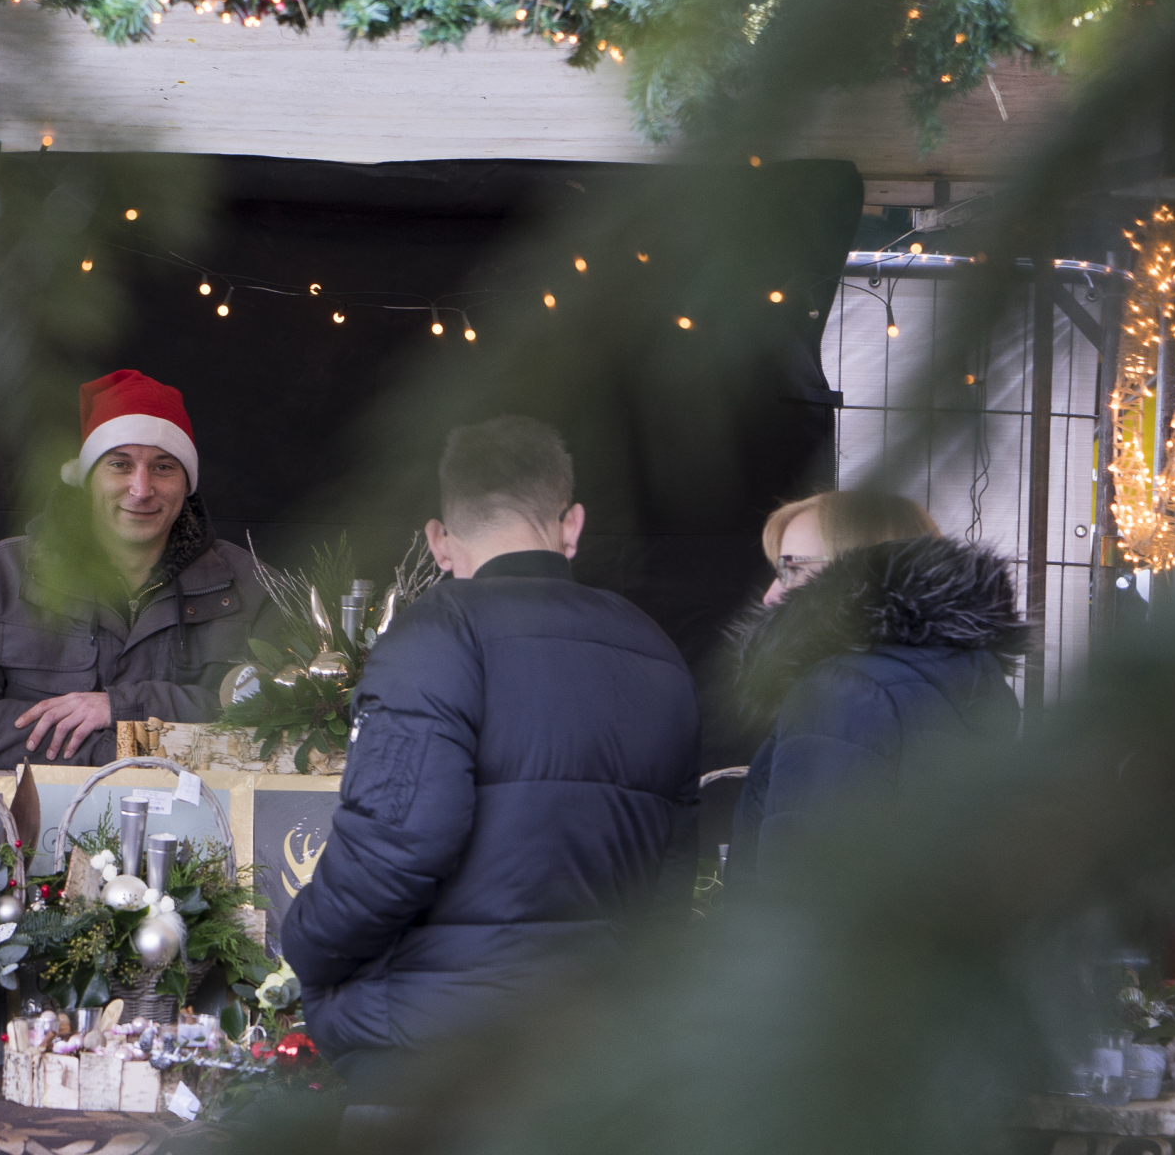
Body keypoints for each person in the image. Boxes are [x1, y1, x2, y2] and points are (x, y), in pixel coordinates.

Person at [280, 416, 701, 1116]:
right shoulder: (654, 649)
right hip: (594, 1067)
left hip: (436, 1066)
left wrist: (306, 952)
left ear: (439, 541)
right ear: (571, 525)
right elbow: (669, 888)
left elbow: (394, 845)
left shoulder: (438, 633)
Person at [0, 370, 279, 768]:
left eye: (164, 467)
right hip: (29, 827)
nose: (141, 489)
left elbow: (295, 715)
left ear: (187, 482)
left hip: (205, 826)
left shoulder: (255, 590)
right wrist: (111, 753)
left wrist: (126, 708)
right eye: (120, 465)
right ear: (86, 479)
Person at [731, 490, 1027, 886]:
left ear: (853, 570)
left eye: (793, 569)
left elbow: (806, 898)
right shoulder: (961, 679)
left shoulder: (842, 688)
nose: (771, 595)